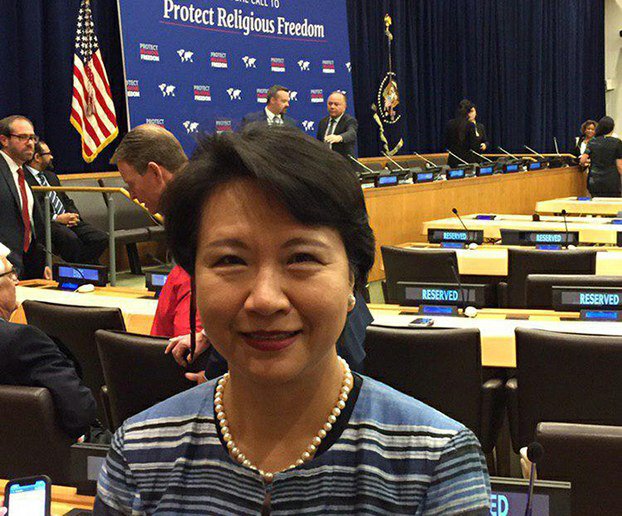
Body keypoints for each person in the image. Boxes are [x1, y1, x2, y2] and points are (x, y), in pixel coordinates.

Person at [94, 126, 490, 515]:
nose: (265, 300)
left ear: (353, 279)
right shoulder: (139, 456)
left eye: (301, 258)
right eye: (230, 260)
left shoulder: (436, 463)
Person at [0, 242, 97, 439]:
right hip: (33, 453)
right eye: (11, 274)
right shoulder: (23, 341)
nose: (16, 281)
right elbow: (80, 412)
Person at [25, 140, 108, 264]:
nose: (52, 157)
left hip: (68, 221)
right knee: (71, 239)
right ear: (37, 157)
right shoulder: (24, 178)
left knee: (100, 237)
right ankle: (90, 267)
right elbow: (31, 208)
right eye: (48, 154)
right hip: (48, 223)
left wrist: (73, 215)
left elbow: (66, 200)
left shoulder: (51, 176)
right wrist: (57, 218)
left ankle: (84, 267)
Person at [0, 115, 46, 279]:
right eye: (23, 137)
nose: (30, 143)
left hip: (29, 263)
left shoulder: (22, 172)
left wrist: (43, 264)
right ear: (4, 140)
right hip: (5, 267)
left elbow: (30, 221)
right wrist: (3, 266)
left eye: (32, 138)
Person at [580, 116, 622, 198]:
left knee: (596, 203)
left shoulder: (592, 141)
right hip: (611, 181)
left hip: (594, 180)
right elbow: (619, 165)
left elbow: (582, 160)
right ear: (612, 128)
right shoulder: (617, 143)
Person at [446, 99, 489, 167]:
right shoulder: (470, 125)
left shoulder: (450, 123)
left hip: (453, 161)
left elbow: (446, 143)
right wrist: (479, 147)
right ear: (467, 112)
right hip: (468, 161)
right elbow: (473, 146)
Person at [316, 91, 358, 159]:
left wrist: (339, 137)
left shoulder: (349, 120)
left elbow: (352, 133)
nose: (332, 107)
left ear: (344, 106)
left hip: (343, 162)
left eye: (336, 104)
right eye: (330, 104)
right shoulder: (323, 122)